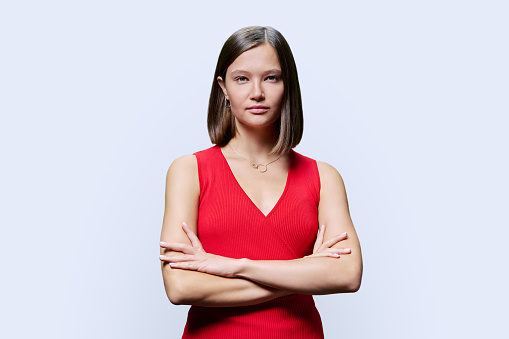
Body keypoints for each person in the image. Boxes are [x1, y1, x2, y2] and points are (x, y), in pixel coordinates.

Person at [159, 26, 363, 339]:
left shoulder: (324, 177)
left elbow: (347, 276)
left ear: (287, 85)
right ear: (223, 87)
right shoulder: (189, 171)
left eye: (271, 77)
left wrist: (235, 266)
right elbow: (181, 286)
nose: (257, 92)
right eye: (242, 78)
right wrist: (305, 271)